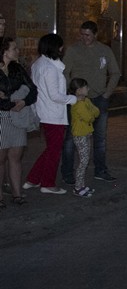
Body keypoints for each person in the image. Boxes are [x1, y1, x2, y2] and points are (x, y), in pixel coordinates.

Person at [61, 20, 121, 183]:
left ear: (95, 34)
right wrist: (70, 91)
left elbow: (115, 72)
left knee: (100, 137)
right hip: (78, 100)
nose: (84, 38)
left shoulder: (104, 50)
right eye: (82, 34)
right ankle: (67, 173)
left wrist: (107, 93)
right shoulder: (73, 50)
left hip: (99, 98)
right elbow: (65, 72)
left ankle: (100, 170)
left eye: (87, 35)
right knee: (71, 137)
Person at [24, 33, 78, 194]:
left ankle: (33, 178)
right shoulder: (49, 68)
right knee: (54, 151)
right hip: (52, 114)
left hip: (45, 112)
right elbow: (54, 95)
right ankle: (47, 183)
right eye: (61, 46)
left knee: (51, 149)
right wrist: (74, 99)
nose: (62, 49)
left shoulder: (40, 64)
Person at [0, 37, 38, 206]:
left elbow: (33, 90)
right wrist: (9, 103)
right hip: (2, 117)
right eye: (14, 48)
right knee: (0, 158)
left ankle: (17, 193)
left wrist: (23, 102)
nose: (17, 51)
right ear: (4, 52)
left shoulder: (17, 68)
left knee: (15, 156)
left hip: (17, 117)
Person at [68, 78, 99, 198]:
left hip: (86, 134)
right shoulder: (78, 104)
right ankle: (78, 187)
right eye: (86, 87)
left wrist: (91, 113)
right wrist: (91, 113)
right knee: (83, 161)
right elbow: (89, 117)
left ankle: (81, 185)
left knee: (85, 160)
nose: (88, 89)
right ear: (79, 90)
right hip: (80, 135)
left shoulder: (86, 101)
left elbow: (97, 112)